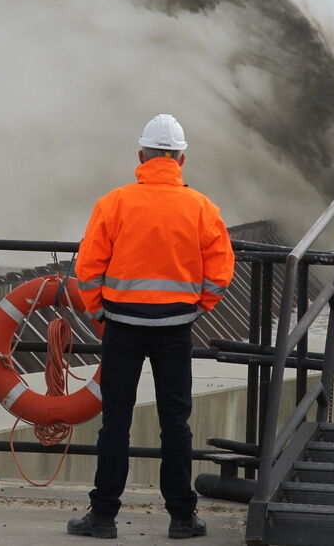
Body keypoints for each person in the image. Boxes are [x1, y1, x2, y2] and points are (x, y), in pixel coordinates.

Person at [66, 114, 234, 540]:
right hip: (175, 329)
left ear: (141, 156)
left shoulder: (114, 203)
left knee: (115, 422)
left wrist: (98, 310)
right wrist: (198, 308)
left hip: (121, 326)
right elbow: (220, 273)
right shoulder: (201, 208)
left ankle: (102, 517)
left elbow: (87, 269)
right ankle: (182, 518)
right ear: (181, 158)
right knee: (175, 423)